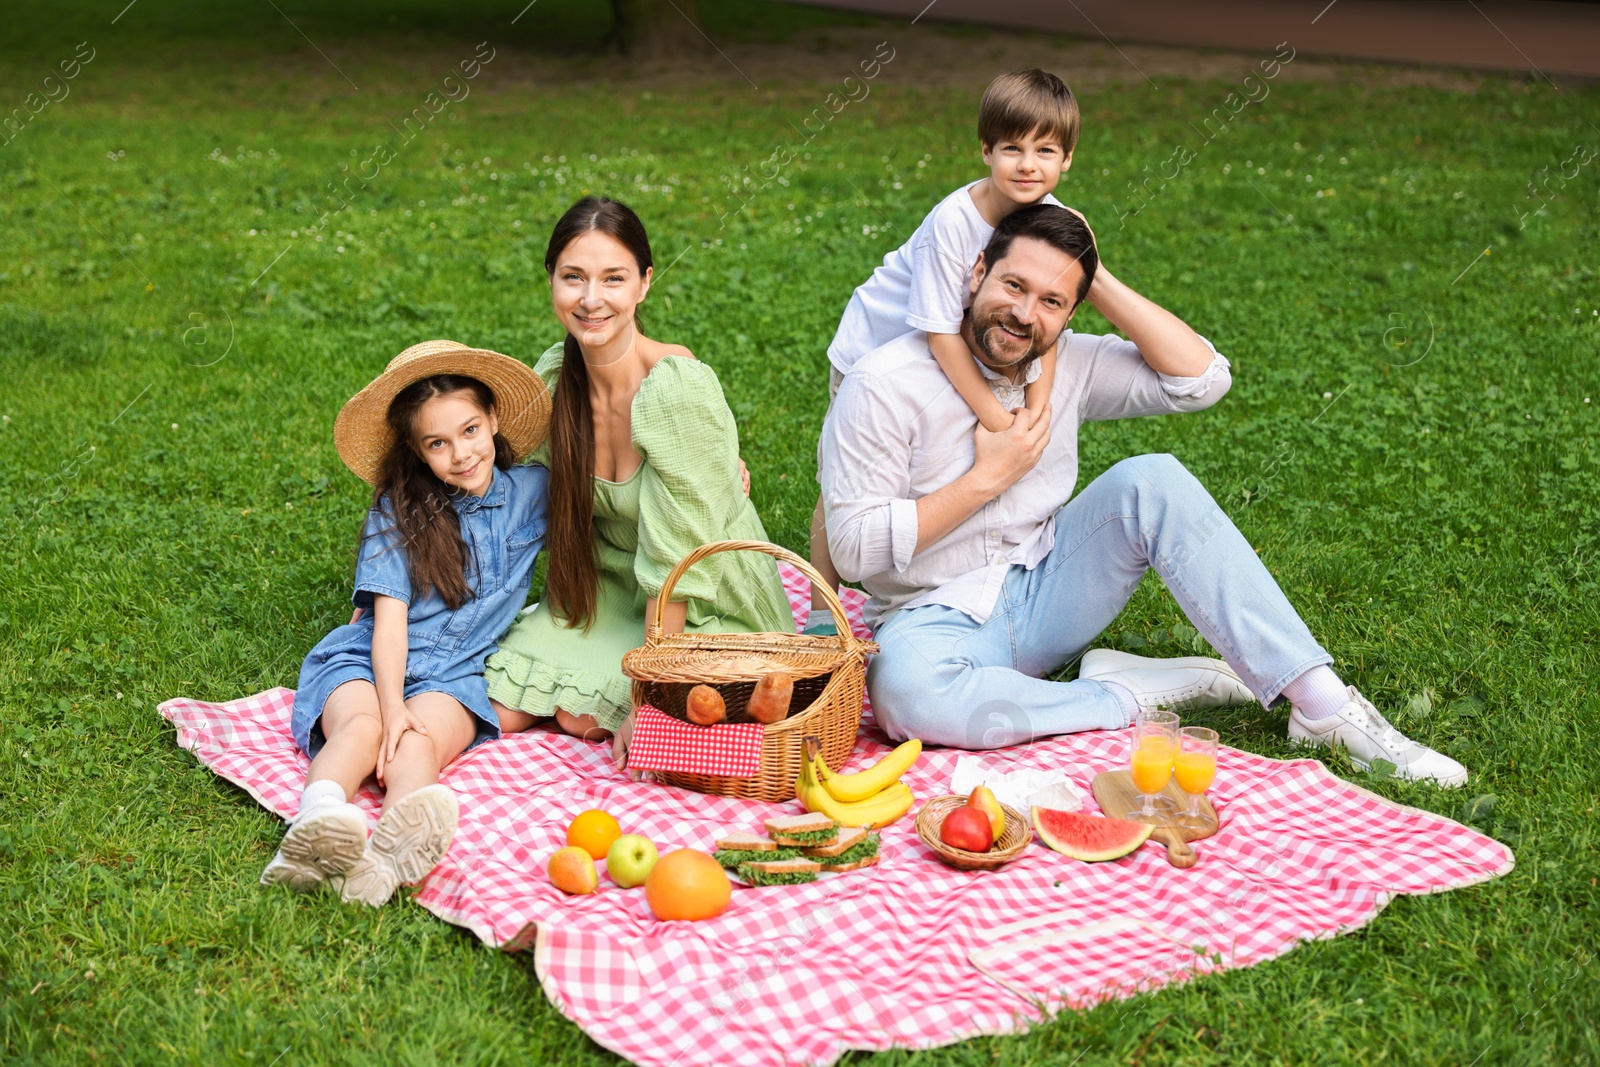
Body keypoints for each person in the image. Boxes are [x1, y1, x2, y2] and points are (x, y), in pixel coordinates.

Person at [818, 203, 1468, 786]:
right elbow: (852, 551)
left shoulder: (1064, 360)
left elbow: (1201, 379)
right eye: (1013, 284)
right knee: (904, 694)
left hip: (1049, 588)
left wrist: (1091, 271)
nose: (1024, 313)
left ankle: (1325, 707)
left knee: (1151, 479)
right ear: (975, 272)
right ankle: (1120, 696)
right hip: (932, 620)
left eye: (1052, 300)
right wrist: (987, 477)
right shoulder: (882, 384)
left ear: (1073, 311)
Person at [485, 196, 793, 766]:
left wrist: (647, 695)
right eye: (573, 277)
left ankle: (641, 683)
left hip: (701, 600)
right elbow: (506, 488)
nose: (591, 299)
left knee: (582, 715)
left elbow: (680, 566)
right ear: (551, 280)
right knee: (498, 699)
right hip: (608, 589)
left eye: (614, 278)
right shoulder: (555, 378)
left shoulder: (674, 392)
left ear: (645, 284)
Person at [264, 340, 553, 905]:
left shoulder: (534, 492)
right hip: (368, 658)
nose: (462, 454)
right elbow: (388, 625)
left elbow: (615, 495)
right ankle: (315, 825)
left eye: (470, 430)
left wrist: (714, 473)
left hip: (454, 674)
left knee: (417, 748)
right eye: (438, 443)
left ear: (494, 419)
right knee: (366, 730)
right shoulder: (399, 510)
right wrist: (391, 705)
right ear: (419, 452)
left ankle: (384, 862)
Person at [806, 68, 1078, 635]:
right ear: (985, 151)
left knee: (932, 464)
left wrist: (1035, 412)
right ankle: (820, 614)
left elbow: (1048, 332)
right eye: (1012, 148)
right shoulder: (955, 224)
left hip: (941, 350)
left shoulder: (1054, 223)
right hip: (875, 351)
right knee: (842, 489)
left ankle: (937, 580)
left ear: (1067, 160)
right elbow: (940, 336)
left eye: (1045, 150)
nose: (1028, 164)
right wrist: (999, 419)